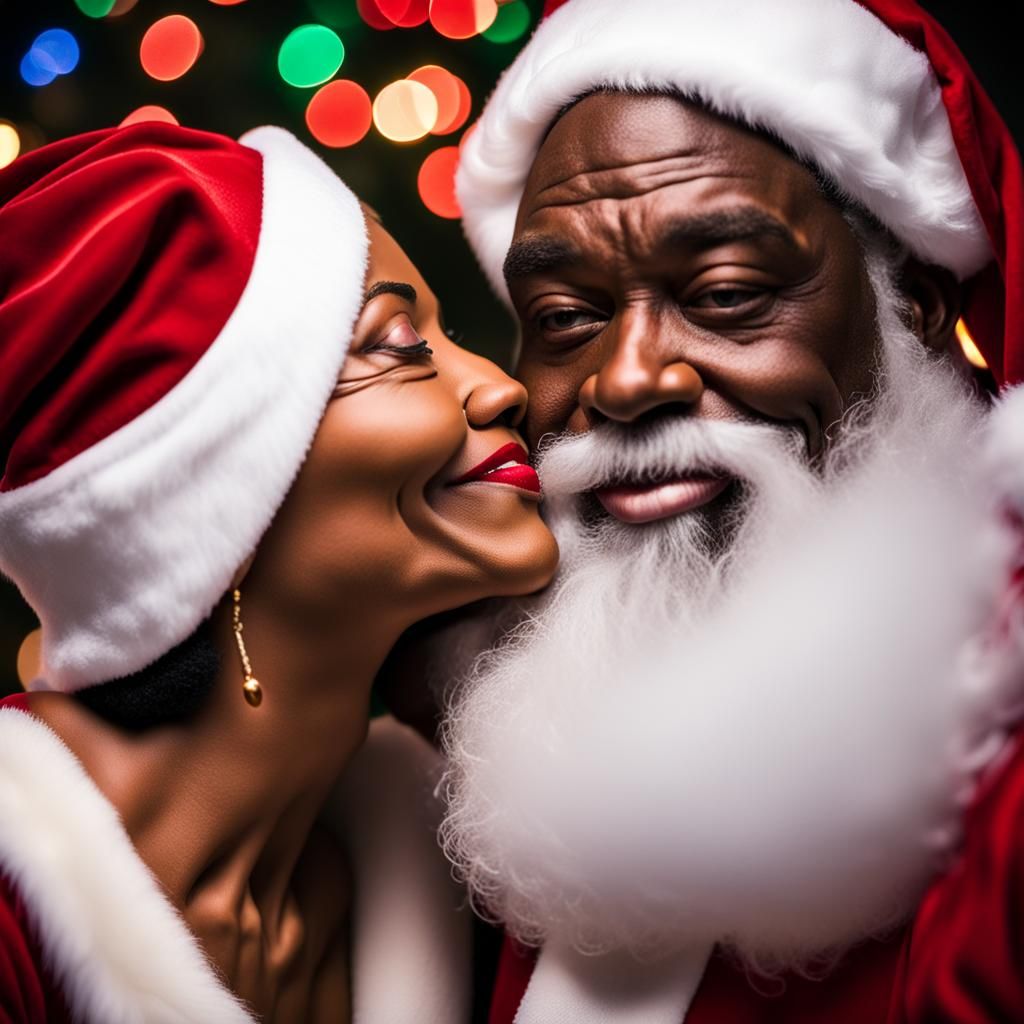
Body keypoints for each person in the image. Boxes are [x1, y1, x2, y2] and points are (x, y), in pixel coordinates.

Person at [438, 0, 1024, 1021]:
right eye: (565, 317)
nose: (625, 381)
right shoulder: (510, 734)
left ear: (914, 306)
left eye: (724, 293)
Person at [0, 122, 558, 1023]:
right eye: (399, 344)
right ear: (210, 503)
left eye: (445, 332)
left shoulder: (453, 866)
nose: (500, 387)